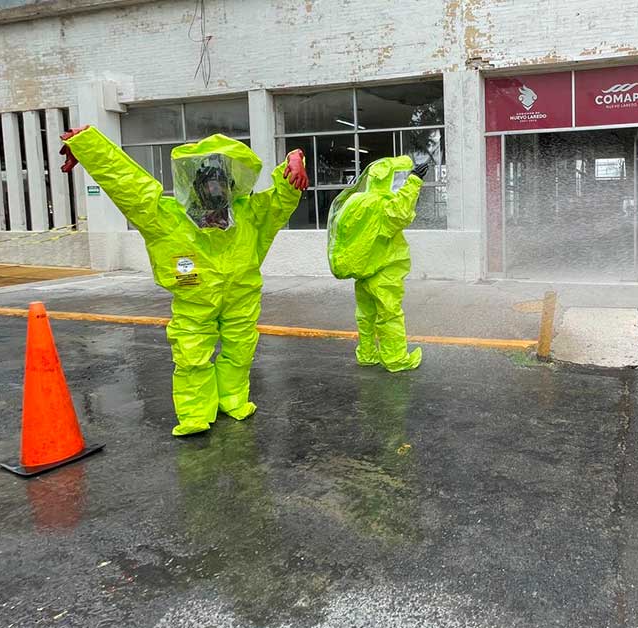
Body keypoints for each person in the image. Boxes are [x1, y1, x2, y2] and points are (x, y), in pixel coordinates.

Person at [60, 126, 308, 436]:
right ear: (195, 185)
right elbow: (128, 185)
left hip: (242, 299)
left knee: (241, 350)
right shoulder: (168, 218)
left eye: (220, 181)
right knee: (192, 355)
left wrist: (293, 162)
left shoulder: (249, 215)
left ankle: (232, 399)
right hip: (194, 303)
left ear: (231, 185)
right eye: (208, 182)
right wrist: (89, 145)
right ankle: (196, 412)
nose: (215, 189)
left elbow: (281, 199)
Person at [327, 156, 428, 372]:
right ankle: (395, 359)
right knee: (389, 314)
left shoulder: (356, 202)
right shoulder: (380, 204)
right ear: (387, 179)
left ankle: (367, 353)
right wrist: (414, 181)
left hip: (363, 270)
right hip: (384, 269)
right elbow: (399, 214)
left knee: (366, 315)